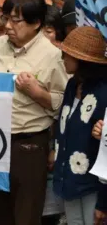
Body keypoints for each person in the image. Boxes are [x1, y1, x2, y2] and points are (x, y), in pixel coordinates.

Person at [0, 0, 68, 225]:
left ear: (36, 23)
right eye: (6, 18)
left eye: (15, 20)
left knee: (26, 214)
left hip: (28, 145)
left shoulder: (52, 55)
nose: (8, 25)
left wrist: (37, 93)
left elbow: (63, 103)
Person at [51, 26, 107, 225]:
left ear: (83, 61)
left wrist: (104, 202)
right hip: (69, 180)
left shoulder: (103, 93)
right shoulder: (72, 85)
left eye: (67, 55)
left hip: (93, 184)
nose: (63, 59)